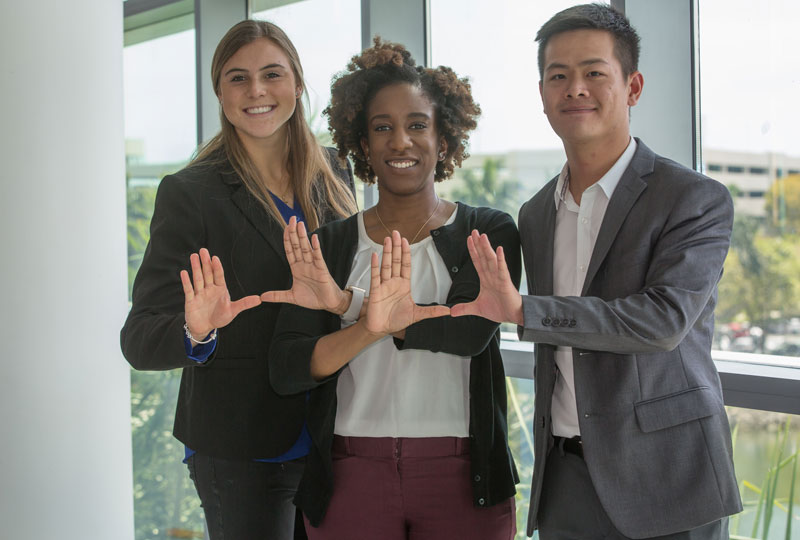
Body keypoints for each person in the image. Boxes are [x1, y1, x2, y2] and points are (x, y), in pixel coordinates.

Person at [451, 4, 742, 539]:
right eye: (557, 76)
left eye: (593, 73)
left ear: (632, 87)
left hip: (668, 478)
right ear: (542, 94)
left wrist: (524, 311)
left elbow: (662, 321)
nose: (574, 88)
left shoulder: (694, 198)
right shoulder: (535, 213)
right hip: (565, 480)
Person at [264, 38, 520, 540]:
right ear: (362, 145)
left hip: (462, 472)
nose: (400, 141)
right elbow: (288, 367)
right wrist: (367, 324)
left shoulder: (486, 232)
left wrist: (347, 306)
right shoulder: (329, 245)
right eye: (382, 128)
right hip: (350, 470)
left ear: (444, 139)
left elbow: (469, 331)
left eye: (417, 125)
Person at [120, 20, 357, 540]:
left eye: (272, 74)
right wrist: (195, 332)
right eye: (237, 78)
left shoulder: (336, 174)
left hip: (334, 435)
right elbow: (139, 338)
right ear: (220, 94)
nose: (256, 91)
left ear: (296, 82)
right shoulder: (190, 192)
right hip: (241, 446)